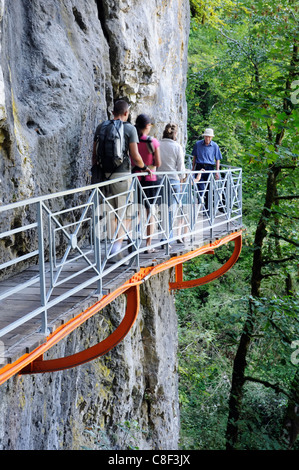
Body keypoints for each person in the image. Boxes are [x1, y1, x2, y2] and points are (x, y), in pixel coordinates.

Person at [92, 100, 152, 257]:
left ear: (112, 112)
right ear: (126, 113)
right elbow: (135, 156)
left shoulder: (101, 127)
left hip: (104, 177)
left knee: (111, 214)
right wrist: (144, 167)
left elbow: (94, 156)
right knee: (129, 214)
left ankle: (114, 245)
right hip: (122, 177)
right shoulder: (129, 129)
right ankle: (117, 247)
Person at [134, 114, 161, 253]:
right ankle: (148, 244)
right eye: (150, 125)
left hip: (136, 179)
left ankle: (134, 241)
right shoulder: (153, 142)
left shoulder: (133, 141)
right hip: (150, 179)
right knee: (150, 212)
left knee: (137, 211)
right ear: (147, 126)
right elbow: (158, 163)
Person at [158, 123, 186, 243]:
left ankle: (165, 237)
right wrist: (183, 177)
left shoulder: (157, 145)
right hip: (173, 181)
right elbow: (181, 168)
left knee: (161, 210)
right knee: (171, 211)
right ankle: (166, 239)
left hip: (159, 181)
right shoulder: (177, 147)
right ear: (175, 134)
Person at [191, 128, 222, 215]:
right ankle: (199, 207)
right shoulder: (198, 144)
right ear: (204, 136)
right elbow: (194, 157)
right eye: (206, 137)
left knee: (209, 189)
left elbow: (218, 159)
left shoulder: (215, 146)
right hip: (199, 167)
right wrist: (193, 168)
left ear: (211, 137)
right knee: (200, 188)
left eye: (209, 137)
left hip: (209, 168)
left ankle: (207, 210)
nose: (207, 138)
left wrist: (217, 171)